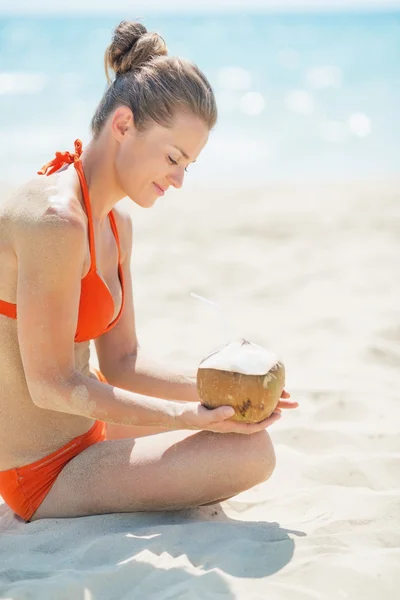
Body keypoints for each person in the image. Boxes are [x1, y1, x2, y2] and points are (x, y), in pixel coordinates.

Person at [0, 21, 298, 523]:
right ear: (122, 125)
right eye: (174, 157)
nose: (179, 180)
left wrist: (221, 392)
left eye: (189, 165)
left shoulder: (116, 224)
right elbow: (49, 384)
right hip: (43, 470)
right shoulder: (54, 222)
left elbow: (123, 363)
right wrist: (183, 416)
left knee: (248, 436)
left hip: (92, 432)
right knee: (251, 456)